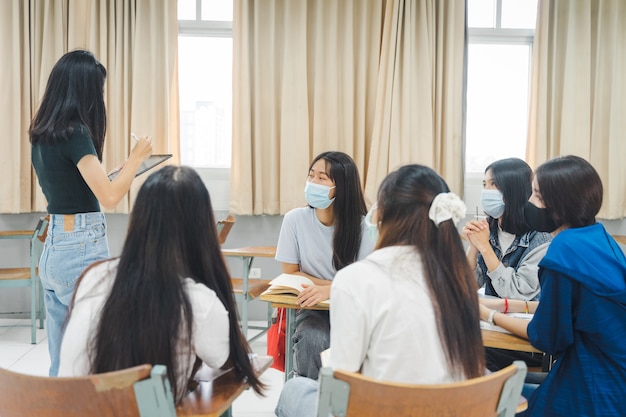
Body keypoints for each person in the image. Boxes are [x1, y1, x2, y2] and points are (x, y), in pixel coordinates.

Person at [276, 164, 485, 417]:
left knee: (295, 388)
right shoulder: (457, 278)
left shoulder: (356, 278)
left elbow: (343, 383)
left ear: (383, 213)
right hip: (446, 408)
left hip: (380, 408)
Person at [58, 166, 265, 403]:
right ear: (203, 230)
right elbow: (230, 364)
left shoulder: (95, 275)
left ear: (138, 221)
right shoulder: (198, 302)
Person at [29, 49, 153, 376]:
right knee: (89, 352)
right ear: (84, 89)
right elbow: (110, 196)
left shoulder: (42, 133)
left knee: (61, 356)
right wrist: (138, 157)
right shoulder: (77, 132)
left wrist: (118, 170)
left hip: (54, 248)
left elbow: (74, 185)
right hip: (80, 247)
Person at [479, 155, 626, 417]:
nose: (530, 203)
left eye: (536, 196)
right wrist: (502, 304)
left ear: (559, 204)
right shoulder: (598, 237)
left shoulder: (563, 250)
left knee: (486, 401)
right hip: (614, 378)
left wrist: (490, 315)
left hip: (591, 390)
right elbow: (573, 309)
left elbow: (547, 337)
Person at [274, 151, 375, 380]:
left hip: (354, 308)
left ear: (342, 186)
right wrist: (333, 286)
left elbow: (367, 280)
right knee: (314, 339)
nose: (313, 183)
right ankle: (312, 405)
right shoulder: (294, 220)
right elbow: (290, 274)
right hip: (312, 307)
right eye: (311, 176)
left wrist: (330, 289)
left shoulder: (364, 227)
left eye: (322, 178)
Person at [463, 158, 552, 301]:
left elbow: (517, 293)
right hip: (490, 318)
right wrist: (473, 247)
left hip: (522, 321)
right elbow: (467, 286)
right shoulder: (488, 229)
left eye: (494, 184)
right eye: (484, 184)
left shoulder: (540, 239)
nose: (486, 191)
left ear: (514, 190)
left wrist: (485, 248)